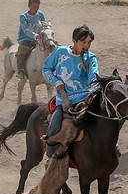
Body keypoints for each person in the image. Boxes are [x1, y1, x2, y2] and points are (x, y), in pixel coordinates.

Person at [41, 25, 98, 157]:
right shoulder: (60, 52)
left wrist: (92, 93)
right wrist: (57, 82)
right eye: (84, 42)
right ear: (74, 41)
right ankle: (51, 154)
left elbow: (94, 78)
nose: (87, 45)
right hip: (64, 99)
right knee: (54, 127)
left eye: (89, 42)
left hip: (85, 99)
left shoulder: (91, 58)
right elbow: (46, 69)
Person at [16, 0, 46, 80]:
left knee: (49, 47)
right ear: (29, 6)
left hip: (38, 38)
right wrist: (35, 35)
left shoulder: (40, 14)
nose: (36, 8)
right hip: (25, 39)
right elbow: (25, 30)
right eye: (34, 6)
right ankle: (21, 70)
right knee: (23, 49)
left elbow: (44, 25)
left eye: (37, 6)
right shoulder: (23, 16)